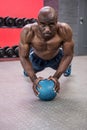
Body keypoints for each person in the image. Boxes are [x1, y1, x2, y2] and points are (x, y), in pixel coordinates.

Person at [19, 6, 74, 96]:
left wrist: (56, 77)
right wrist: (34, 79)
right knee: (27, 73)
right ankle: (29, 71)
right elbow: (23, 56)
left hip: (57, 58)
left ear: (57, 22)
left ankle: (68, 66)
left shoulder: (64, 30)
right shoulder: (28, 31)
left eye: (51, 24)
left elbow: (68, 55)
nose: (47, 29)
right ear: (37, 22)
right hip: (37, 59)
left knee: (66, 67)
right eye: (43, 25)